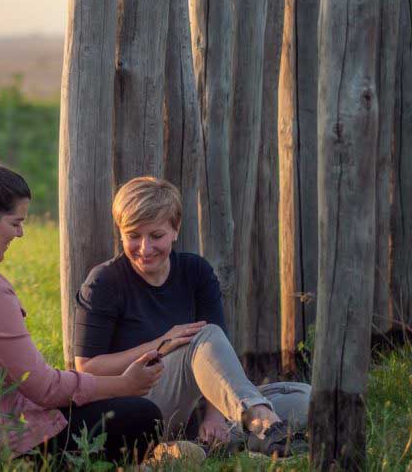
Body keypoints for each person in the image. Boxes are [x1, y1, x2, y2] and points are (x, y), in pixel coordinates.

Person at [0, 148, 166, 465]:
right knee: (143, 417)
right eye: (16, 223)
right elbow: (43, 388)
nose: (21, 233)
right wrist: (123, 384)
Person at [74, 177, 310, 458]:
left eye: (156, 236)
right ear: (121, 233)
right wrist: (161, 343)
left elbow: (216, 354)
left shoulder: (195, 271)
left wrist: (215, 416)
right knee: (202, 333)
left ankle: (208, 441)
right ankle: (263, 426)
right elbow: (86, 369)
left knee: (305, 398)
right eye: (133, 235)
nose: (145, 248)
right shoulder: (104, 282)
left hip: (198, 404)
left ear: (175, 230)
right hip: (138, 405)